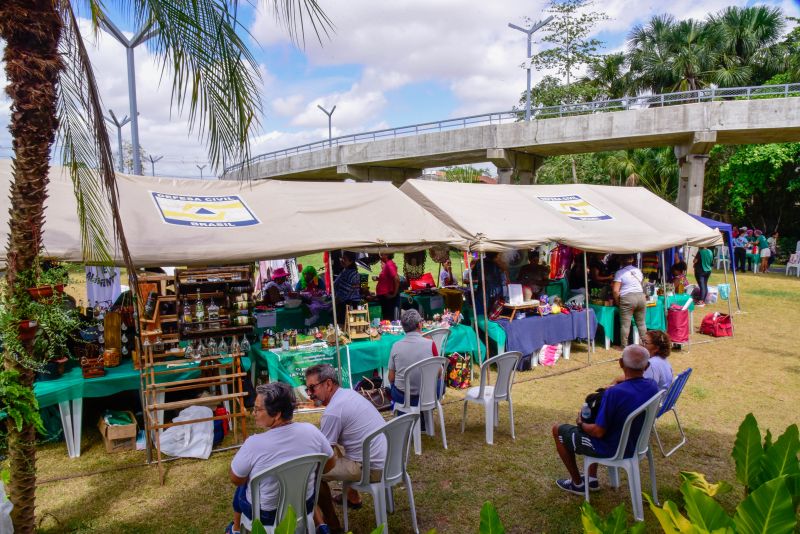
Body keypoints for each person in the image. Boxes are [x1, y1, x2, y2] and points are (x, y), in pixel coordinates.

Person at [227, 383, 334, 534]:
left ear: (276, 413)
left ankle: (235, 529)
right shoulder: (312, 431)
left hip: (266, 515)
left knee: (243, 484)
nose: (253, 413)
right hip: (304, 504)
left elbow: (236, 479)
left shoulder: (254, 444)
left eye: (257, 409)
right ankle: (320, 525)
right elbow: (329, 464)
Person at [552, 345, 658, 494]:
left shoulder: (614, 394)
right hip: (636, 443)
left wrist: (581, 424)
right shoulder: (652, 386)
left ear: (621, 363)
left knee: (558, 430)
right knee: (593, 420)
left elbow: (598, 432)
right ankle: (591, 478)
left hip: (612, 448)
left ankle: (577, 484)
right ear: (646, 366)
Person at [303, 364, 387, 533]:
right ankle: (352, 497)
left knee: (310, 473)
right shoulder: (348, 393)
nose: (310, 394)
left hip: (370, 467)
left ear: (328, 384)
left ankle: (332, 525)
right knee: (333, 451)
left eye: (312, 388)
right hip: (389, 458)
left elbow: (322, 454)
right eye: (308, 389)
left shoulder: (333, 412)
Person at [388, 309, 441, 409]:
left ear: (403, 327)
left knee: (393, 386)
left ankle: (403, 413)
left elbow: (391, 378)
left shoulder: (395, 346)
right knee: (440, 381)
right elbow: (438, 373)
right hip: (428, 396)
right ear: (420, 325)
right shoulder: (430, 343)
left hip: (403, 397)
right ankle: (425, 415)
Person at [612, 255, 646, 348]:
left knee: (625, 325)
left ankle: (624, 346)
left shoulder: (620, 273)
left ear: (621, 262)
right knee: (641, 323)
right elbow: (642, 284)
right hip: (641, 297)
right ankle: (646, 344)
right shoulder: (638, 271)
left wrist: (618, 302)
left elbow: (615, 290)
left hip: (627, 298)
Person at [333, 251, 361, 325]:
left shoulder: (350, 273)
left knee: (345, 324)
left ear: (351, 261)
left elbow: (345, 291)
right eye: (342, 258)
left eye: (344, 259)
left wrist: (336, 300)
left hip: (348, 303)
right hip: (347, 302)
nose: (342, 260)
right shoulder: (346, 271)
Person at [373, 253, 400, 321]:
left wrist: (394, 294)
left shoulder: (389, 264)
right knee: (386, 317)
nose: (380, 255)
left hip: (388, 296)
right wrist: (379, 279)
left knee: (388, 317)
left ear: (387, 255)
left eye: (382, 254)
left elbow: (396, 279)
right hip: (385, 296)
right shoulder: (387, 264)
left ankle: (389, 330)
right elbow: (388, 278)